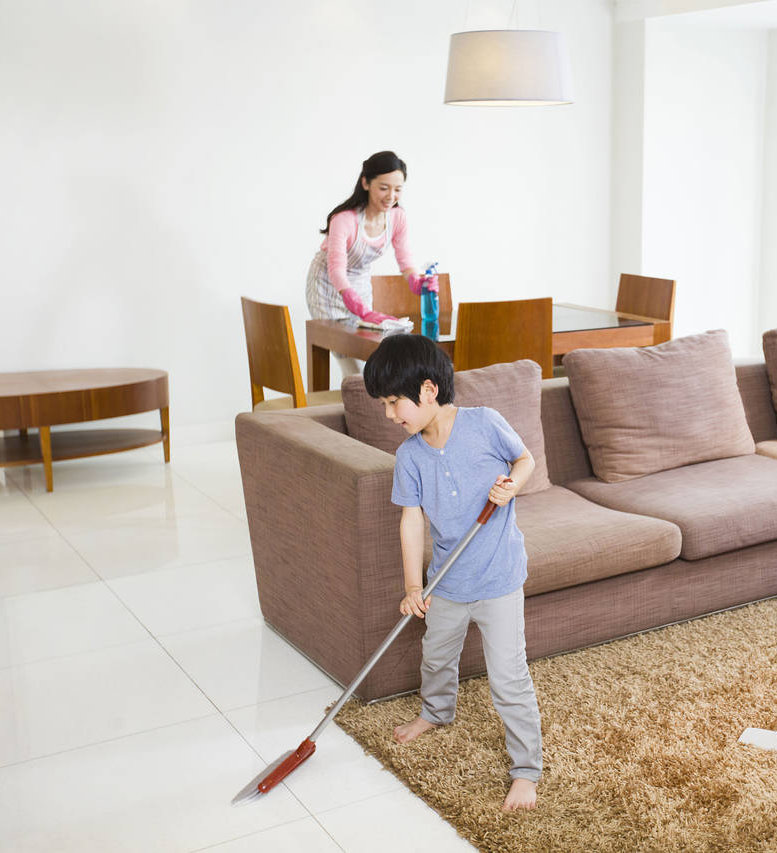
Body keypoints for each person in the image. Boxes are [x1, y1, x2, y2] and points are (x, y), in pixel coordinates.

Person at [362, 333, 542, 812]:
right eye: (383, 404)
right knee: (437, 657)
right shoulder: (410, 456)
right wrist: (413, 586)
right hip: (447, 582)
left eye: (393, 401)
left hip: (499, 578)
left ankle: (526, 770)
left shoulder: (485, 425)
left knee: (509, 677)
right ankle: (436, 713)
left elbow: (525, 459)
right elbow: (410, 520)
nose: (389, 414)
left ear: (426, 390)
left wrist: (512, 486)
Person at [306, 151, 425, 375]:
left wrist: (415, 280)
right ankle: (354, 401)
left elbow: (405, 258)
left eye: (397, 189)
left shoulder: (397, 217)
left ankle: (363, 403)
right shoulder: (344, 220)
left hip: (359, 282)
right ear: (366, 183)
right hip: (327, 286)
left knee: (368, 350)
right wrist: (353, 301)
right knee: (347, 356)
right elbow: (336, 269)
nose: (391, 196)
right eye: (384, 187)